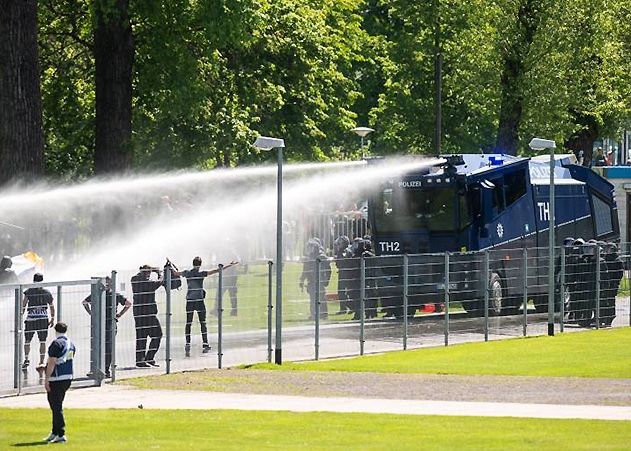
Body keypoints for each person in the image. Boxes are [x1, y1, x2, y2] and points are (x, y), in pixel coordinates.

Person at [178, 257, 238, 357]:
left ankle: (188, 343)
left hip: (190, 301)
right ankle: (205, 343)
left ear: (193, 263)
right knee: (203, 323)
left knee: (188, 323)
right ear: (200, 264)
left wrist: (170, 268)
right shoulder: (201, 273)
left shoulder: (187, 273)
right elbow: (216, 270)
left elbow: (176, 273)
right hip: (199, 301)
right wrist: (229, 265)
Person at [82, 276, 131, 377]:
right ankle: (101, 369)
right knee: (104, 346)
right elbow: (128, 304)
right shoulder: (112, 294)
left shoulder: (106, 294)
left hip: (104, 323)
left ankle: (103, 369)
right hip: (107, 323)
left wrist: (91, 313)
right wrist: (119, 315)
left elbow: (84, 302)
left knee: (104, 346)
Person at [43, 322, 75, 444]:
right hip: (67, 377)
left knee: (56, 406)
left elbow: (52, 362)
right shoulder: (70, 343)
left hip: (56, 378)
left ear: (55, 330)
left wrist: (46, 378)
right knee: (56, 405)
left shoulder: (56, 344)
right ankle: (54, 432)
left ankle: (61, 433)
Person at [131, 265, 165, 368]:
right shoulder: (148, 283)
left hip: (139, 313)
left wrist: (149, 270)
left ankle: (141, 360)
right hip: (149, 314)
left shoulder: (134, 280)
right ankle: (148, 358)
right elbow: (160, 281)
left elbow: (139, 277)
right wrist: (159, 272)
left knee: (141, 337)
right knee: (158, 334)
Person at [21, 273, 55, 369]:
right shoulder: (46, 292)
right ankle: (41, 362)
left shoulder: (29, 291)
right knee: (42, 341)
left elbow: (23, 305)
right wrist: (52, 318)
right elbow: (51, 306)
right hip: (43, 319)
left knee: (27, 341)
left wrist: (21, 316)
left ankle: (26, 359)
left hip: (31, 319)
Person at [299, 238, 331, 320]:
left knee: (321, 298)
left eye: (311, 247)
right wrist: (301, 280)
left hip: (320, 280)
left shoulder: (322, 257)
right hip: (311, 281)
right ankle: (314, 314)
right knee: (313, 298)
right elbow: (305, 271)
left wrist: (326, 280)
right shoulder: (308, 258)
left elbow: (328, 270)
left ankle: (323, 314)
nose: (309, 250)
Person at [333, 235, 352, 314]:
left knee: (342, 291)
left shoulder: (344, 251)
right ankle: (344, 308)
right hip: (344, 272)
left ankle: (351, 306)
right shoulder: (345, 250)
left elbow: (342, 262)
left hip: (345, 273)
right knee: (342, 291)